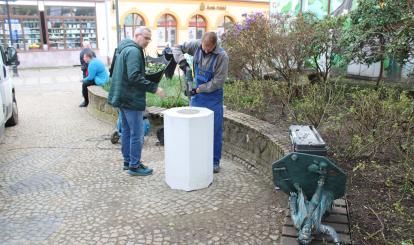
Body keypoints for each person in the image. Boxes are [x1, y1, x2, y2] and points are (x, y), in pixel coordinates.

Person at [108, 26, 165, 176]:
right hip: (131, 98)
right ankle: (134, 165)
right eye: (145, 38)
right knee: (137, 134)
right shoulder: (133, 51)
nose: (147, 41)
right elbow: (134, 76)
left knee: (126, 131)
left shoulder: (125, 48)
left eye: (149, 39)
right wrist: (154, 88)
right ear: (136, 35)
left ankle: (128, 162)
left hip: (122, 97)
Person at [172, 32, 229, 173]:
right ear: (201, 42)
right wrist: (182, 62)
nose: (206, 50)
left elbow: (217, 82)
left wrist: (198, 89)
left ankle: (214, 161)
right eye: (204, 47)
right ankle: (196, 158)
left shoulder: (222, 57)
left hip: (213, 97)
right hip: (197, 97)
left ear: (215, 45)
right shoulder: (196, 45)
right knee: (194, 128)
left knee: (215, 130)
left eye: (209, 48)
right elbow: (176, 48)